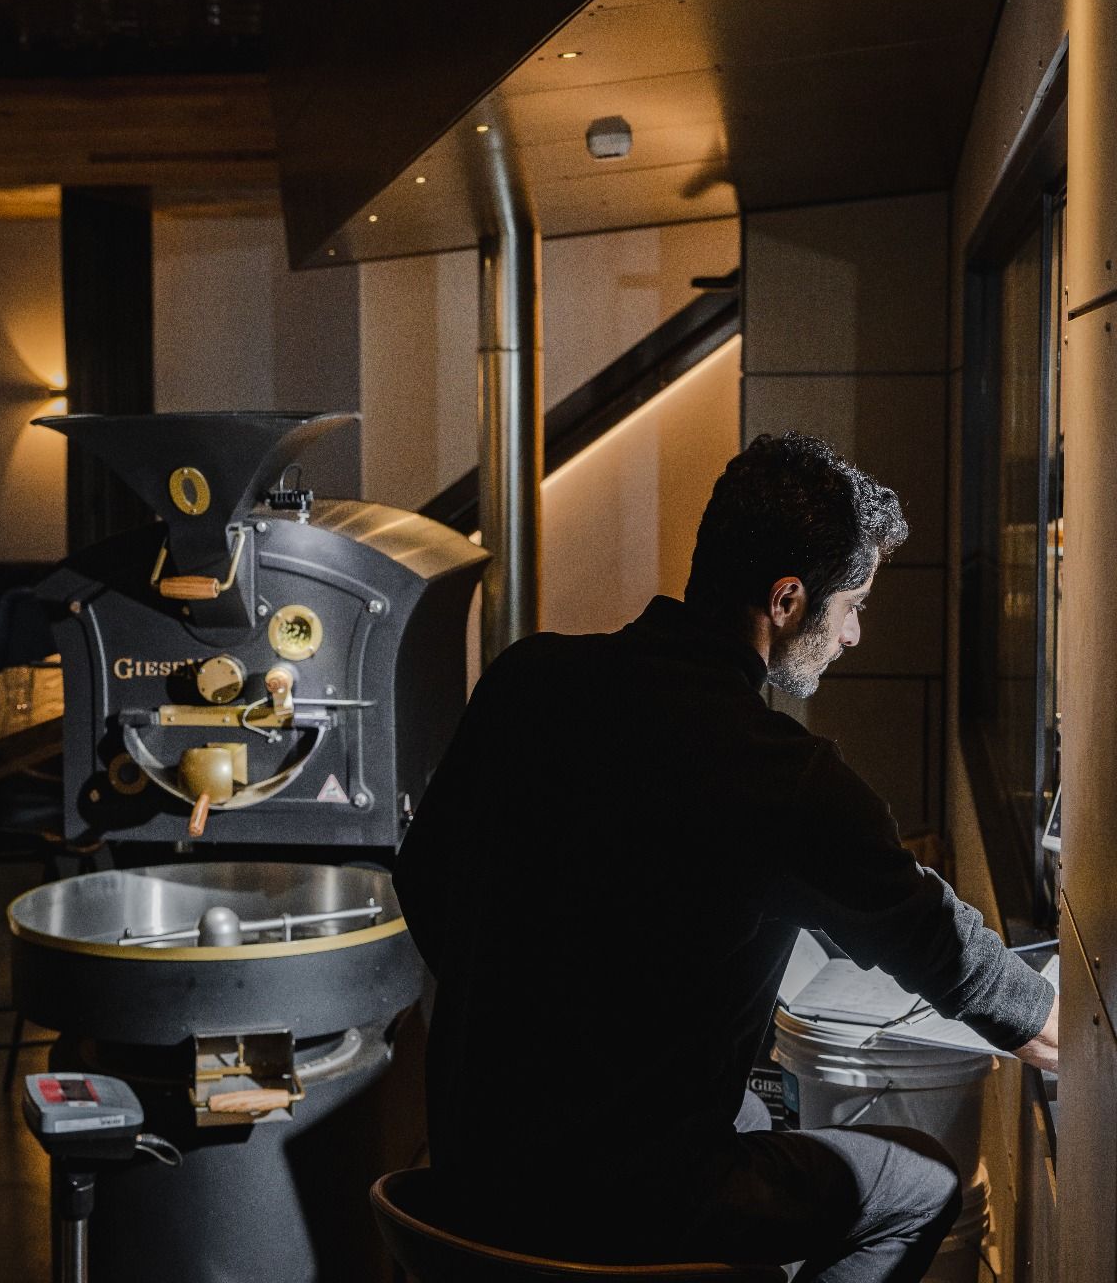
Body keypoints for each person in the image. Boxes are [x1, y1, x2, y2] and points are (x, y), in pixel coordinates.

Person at [393, 432, 1058, 1283]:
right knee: (921, 1186)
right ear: (786, 601)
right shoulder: (783, 778)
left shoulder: (526, 679)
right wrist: (1060, 1030)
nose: (854, 635)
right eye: (852, 604)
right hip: (627, 1213)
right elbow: (938, 941)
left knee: (750, 1110)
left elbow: (423, 879)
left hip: (466, 1176)